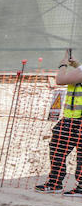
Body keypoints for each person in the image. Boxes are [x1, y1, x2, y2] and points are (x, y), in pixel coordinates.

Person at [37, 55, 82, 194]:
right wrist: (77, 65)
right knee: (61, 148)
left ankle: (55, 183)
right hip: (72, 119)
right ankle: (57, 183)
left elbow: (60, 80)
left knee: (58, 148)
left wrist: (63, 65)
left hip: (76, 119)